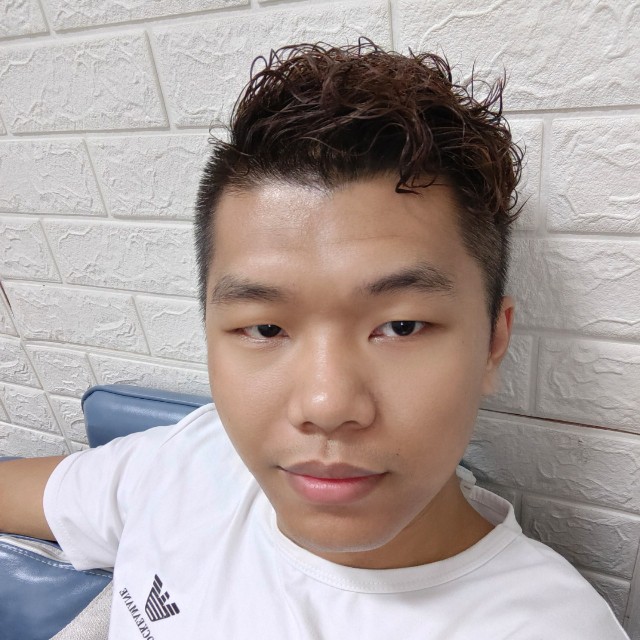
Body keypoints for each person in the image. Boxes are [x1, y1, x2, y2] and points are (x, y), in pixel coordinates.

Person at [0, 40, 629, 639]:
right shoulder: (186, 462)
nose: (327, 406)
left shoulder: (547, 628)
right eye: (266, 328)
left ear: (493, 342)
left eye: (401, 326)